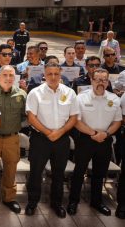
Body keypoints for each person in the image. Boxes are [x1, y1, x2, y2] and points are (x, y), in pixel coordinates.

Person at [25, 61, 79, 218]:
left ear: (60, 74)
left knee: (58, 174)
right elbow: (31, 117)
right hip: (40, 138)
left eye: (56, 73)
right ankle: (32, 203)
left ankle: (57, 204)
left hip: (62, 139)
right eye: (50, 74)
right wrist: (48, 132)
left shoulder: (70, 93)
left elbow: (74, 117)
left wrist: (60, 131)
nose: (53, 77)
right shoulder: (35, 93)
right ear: (44, 74)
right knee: (35, 173)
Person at [67, 68, 121, 217]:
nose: (101, 82)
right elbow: (76, 121)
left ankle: (96, 202)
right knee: (79, 172)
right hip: (85, 139)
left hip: (104, 140)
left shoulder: (114, 99)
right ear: (91, 80)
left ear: (108, 82)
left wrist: (106, 133)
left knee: (99, 173)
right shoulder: (81, 98)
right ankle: (73, 202)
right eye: (98, 79)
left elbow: (117, 121)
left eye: (104, 80)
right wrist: (94, 133)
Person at [0, 65, 27, 213]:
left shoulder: (21, 95)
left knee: (10, 169)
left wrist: (15, 125)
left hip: (11, 138)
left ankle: (9, 198)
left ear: (14, 78)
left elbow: (25, 117)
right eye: (5, 75)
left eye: (11, 75)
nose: (8, 78)